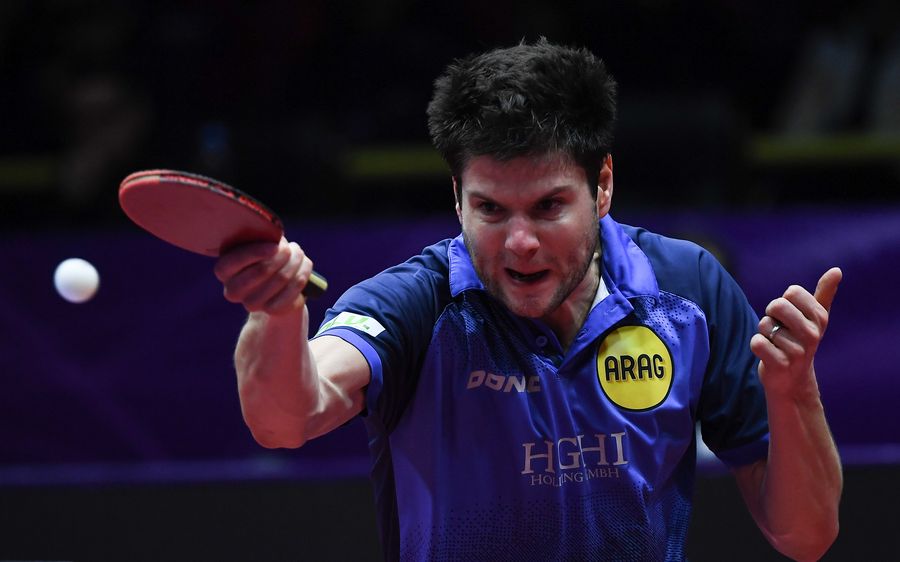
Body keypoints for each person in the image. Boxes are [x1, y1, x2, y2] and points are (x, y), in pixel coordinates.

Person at [214, 39, 842, 561]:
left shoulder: (688, 290)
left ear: (602, 186)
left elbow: (806, 536)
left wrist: (795, 394)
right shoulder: (417, 303)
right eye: (490, 208)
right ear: (457, 196)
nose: (520, 243)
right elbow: (285, 419)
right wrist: (276, 314)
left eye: (548, 206)